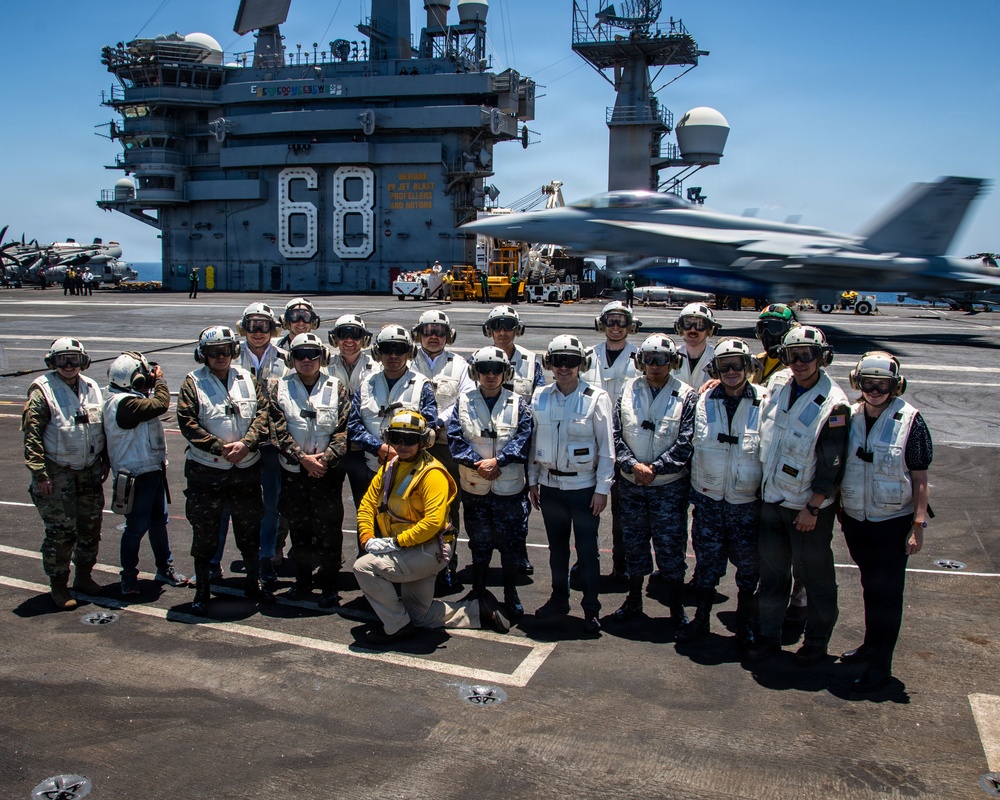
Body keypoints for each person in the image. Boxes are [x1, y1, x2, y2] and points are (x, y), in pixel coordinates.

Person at [354, 409, 511, 644]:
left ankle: (396, 627)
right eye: (396, 438)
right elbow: (368, 503)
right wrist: (367, 537)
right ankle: (477, 610)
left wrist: (395, 543)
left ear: (423, 441)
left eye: (410, 439)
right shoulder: (391, 466)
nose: (402, 445)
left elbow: (433, 522)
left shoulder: (432, 473)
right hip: (406, 549)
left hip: (429, 550)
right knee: (420, 615)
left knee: (364, 567)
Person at [748, 326, 850, 665]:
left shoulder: (834, 403)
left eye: (808, 355)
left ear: (822, 357)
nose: (800, 362)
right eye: (793, 356)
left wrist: (814, 506)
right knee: (773, 575)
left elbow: (832, 463)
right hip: (773, 500)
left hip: (806, 510)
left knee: (816, 577)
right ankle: (769, 637)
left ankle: (816, 643)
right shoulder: (778, 388)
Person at [839, 351, 932, 692]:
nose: (875, 390)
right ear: (857, 383)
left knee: (888, 595)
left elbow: (920, 478)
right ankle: (869, 645)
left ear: (896, 386)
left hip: (893, 522)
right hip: (857, 520)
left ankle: (881, 666)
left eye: (883, 385)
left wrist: (917, 525)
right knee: (869, 587)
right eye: (868, 383)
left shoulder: (911, 420)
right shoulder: (848, 416)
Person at [176, 325, 273, 615]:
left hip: (245, 469)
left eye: (226, 351)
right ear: (202, 354)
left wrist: (247, 444)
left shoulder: (247, 378)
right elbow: (187, 423)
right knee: (204, 532)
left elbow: (263, 413)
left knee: (249, 529)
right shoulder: (192, 383)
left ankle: (253, 582)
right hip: (207, 471)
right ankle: (203, 589)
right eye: (214, 352)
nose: (221, 356)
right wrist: (221, 448)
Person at [681, 338, 764, 646]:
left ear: (748, 367)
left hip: (746, 503)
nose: (731, 371)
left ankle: (745, 624)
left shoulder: (766, 402)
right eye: (725, 366)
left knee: (748, 570)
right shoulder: (701, 401)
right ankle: (701, 619)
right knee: (706, 565)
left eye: (738, 365)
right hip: (710, 501)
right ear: (715, 369)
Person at [529, 335, 615, 635]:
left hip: (584, 489)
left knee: (588, 552)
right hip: (550, 486)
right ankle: (559, 598)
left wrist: (602, 489)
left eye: (571, 361)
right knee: (557, 550)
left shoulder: (596, 397)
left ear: (582, 364)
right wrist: (533, 481)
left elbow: (607, 448)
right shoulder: (539, 396)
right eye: (558, 361)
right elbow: (533, 443)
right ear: (549, 364)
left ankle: (591, 609)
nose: (564, 367)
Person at [612, 335, 697, 626]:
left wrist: (655, 469)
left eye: (661, 360)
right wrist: (633, 465)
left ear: (672, 362)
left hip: (669, 488)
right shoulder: (626, 391)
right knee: (634, 544)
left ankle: (676, 608)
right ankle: (633, 600)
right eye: (649, 359)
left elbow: (687, 441)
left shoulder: (687, 395)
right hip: (631, 484)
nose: (655, 365)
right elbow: (615, 435)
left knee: (671, 548)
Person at [22, 338, 108, 609]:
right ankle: (59, 585)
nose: (69, 365)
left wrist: (104, 459)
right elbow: (32, 435)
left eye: (74, 359)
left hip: (90, 469)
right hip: (58, 471)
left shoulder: (92, 387)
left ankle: (84, 576)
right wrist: (40, 473)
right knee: (61, 532)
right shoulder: (43, 390)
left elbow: (102, 426)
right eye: (62, 360)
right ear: (52, 362)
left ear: (84, 360)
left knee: (90, 527)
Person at [448, 346, 533, 617]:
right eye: (484, 369)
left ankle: (511, 591)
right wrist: (479, 464)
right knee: (479, 543)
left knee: (510, 545)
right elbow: (455, 438)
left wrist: (500, 461)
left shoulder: (519, 403)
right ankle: (480, 589)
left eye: (496, 370)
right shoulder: (463, 402)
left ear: (505, 373)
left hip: (508, 489)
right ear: (476, 372)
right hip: (475, 487)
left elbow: (524, 437)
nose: (490, 375)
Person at [268, 333, 351, 607]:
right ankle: (302, 582)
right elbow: (278, 430)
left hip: (326, 474)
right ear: (292, 359)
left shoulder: (335, 387)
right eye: (300, 355)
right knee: (299, 530)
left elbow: (344, 430)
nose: (306, 360)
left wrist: (324, 460)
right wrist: (302, 458)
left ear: (322, 358)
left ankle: (329, 585)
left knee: (330, 531)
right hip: (293, 473)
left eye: (312, 354)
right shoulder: (279, 388)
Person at [103, 352, 191, 595]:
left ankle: (165, 567)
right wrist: (161, 381)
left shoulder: (127, 398)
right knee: (136, 528)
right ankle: (129, 577)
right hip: (134, 476)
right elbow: (161, 404)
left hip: (151, 471)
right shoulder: (124, 403)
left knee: (159, 524)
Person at [410, 309, 475, 593]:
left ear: (449, 335)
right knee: (412, 503)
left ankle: (447, 564)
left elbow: (465, 398)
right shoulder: (406, 359)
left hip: (446, 445)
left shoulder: (459, 364)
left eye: (439, 331)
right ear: (419, 334)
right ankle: (414, 564)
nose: (433, 336)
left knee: (449, 506)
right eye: (428, 331)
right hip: (410, 446)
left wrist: (435, 422)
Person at [479, 304, 546, 575]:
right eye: (498, 326)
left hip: (520, 446)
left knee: (518, 507)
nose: (503, 331)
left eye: (508, 326)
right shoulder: (479, 360)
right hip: (486, 444)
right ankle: (483, 559)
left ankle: (518, 553)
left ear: (518, 330)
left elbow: (539, 400)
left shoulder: (531, 362)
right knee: (484, 506)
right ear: (490, 330)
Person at [581, 300, 641, 582]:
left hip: (627, 444)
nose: (616, 327)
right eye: (611, 321)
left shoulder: (640, 358)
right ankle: (585, 563)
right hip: (590, 443)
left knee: (623, 513)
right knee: (586, 511)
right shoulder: (586, 356)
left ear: (630, 326)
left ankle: (621, 564)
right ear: (601, 324)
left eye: (621, 321)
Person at [235, 302, 284, 588]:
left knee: (272, 504)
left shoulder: (286, 359)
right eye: (252, 325)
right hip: (239, 443)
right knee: (231, 506)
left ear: (272, 329)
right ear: (244, 327)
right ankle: (214, 563)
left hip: (271, 444)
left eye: (263, 325)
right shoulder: (229, 355)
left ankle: (265, 558)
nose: (257, 331)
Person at [347, 325, 438, 478]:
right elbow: (354, 424)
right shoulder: (366, 385)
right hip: (372, 466)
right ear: (378, 353)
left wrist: (401, 450)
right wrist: (379, 448)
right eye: (387, 348)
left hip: (410, 470)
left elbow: (429, 424)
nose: (393, 355)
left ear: (409, 352)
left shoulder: (422, 385)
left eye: (400, 349)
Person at [328, 314, 381, 513]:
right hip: (333, 448)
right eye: (343, 334)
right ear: (336, 338)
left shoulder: (376, 368)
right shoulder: (325, 366)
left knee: (367, 508)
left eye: (355, 335)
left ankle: (366, 545)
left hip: (362, 450)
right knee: (329, 509)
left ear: (364, 339)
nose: (349, 340)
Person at [673, 302, 721, 390]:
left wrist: (723, 383)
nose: (693, 329)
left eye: (700, 325)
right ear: (680, 328)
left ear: (709, 330)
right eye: (687, 324)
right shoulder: (669, 356)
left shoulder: (720, 358)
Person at [754, 304, 800, 385]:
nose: (767, 333)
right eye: (763, 328)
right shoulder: (756, 362)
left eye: (775, 328)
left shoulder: (797, 366)